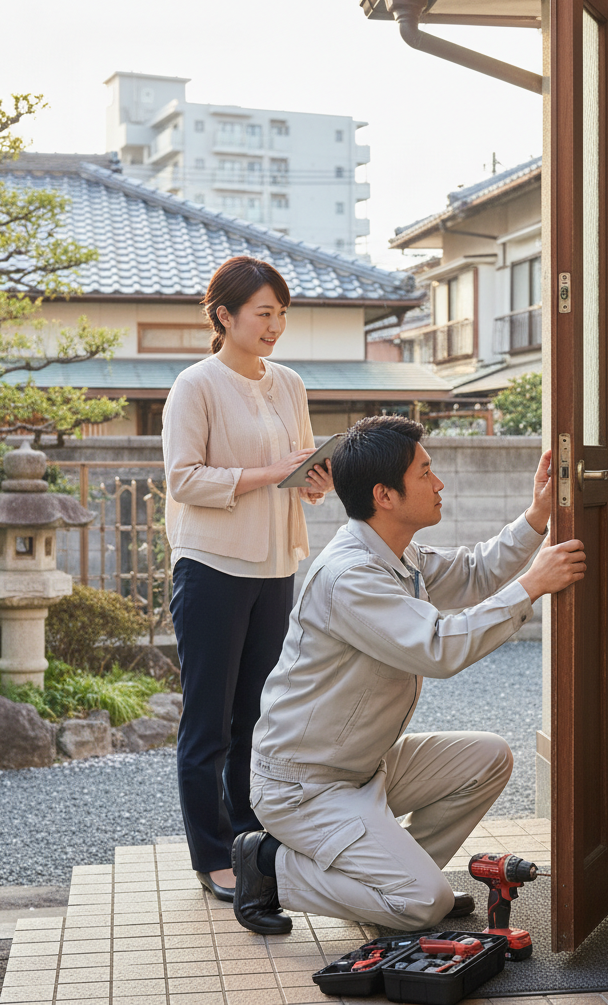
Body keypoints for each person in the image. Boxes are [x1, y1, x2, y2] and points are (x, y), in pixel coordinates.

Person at [230, 414, 585, 934]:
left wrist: (536, 518)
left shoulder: (397, 552)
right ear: (385, 496)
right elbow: (438, 648)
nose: (438, 483)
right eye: (425, 473)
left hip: (363, 768)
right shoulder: (350, 576)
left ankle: (395, 885)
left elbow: (471, 573)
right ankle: (268, 865)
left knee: (489, 757)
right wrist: (531, 586)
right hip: (304, 787)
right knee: (424, 904)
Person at [162, 255, 332, 901]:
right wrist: (269, 473)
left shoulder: (289, 384)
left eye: (281, 314)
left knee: (261, 719)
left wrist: (315, 479)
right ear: (225, 316)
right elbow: (183, 479)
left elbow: (301, 471)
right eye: (265, 313)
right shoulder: (195, 386)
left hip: (275, 567)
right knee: (209, 725)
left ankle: (251, 842)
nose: (276, 325)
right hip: (210, 568)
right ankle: (212, 857)